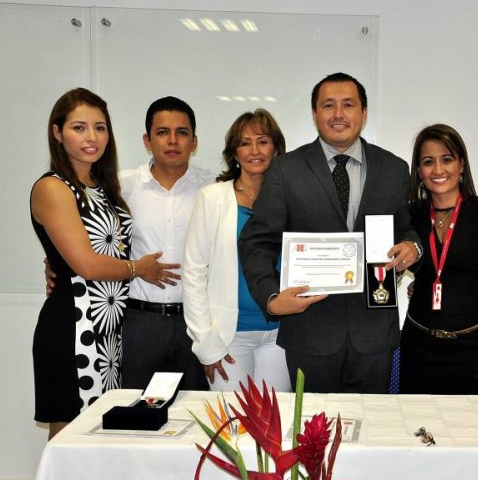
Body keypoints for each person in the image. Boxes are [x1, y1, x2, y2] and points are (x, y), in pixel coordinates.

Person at [239, 72, 421, 393]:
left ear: (363, 114)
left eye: (348, 105)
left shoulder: (393, 169)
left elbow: (408, 227)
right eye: (328, 106)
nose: (338, 114)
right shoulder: (286, 169)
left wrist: (412, 247)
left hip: (373, 332)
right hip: (309, 329)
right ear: (314, 114)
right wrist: (271, 298)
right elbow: (257, 241)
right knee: (311, 434)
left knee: (369, 432)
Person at [31, 88, 170, 439]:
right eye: (79, 127)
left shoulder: (103, 186)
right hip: (73, 328)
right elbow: (88, 265)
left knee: (101, 434)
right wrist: (140, 269)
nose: (92, 137)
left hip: (107, 328)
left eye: (100, 127)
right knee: (69, 436)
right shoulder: (53, 187)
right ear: (57, 132)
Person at [183, 110, 291, 392]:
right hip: (228, 336)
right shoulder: (212, 198)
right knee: (230, 429)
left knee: (275, 427)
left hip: (279, 333)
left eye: (263, 141)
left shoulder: (292, 199)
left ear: (276, 148)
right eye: (245, 143)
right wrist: (206, 344)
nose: (254, 150)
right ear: (233, 152)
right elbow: (193, 273)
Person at [399, 124, 478, 395]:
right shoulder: (409, 215)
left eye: (447, 159)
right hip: (418, 347)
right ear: (419, 171)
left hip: (473, 349)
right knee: (416, 432)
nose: (438, 170)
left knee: (473, 436)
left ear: (461, 165)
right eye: (428, 162)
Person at [118, 97, 214, 391]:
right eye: (162, 132)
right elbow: (94, 240)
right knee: (135, 418)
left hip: (196, 323)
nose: (173, 141)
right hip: (139, 323)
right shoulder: (121, 186)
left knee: (197, 420)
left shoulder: (215, 188)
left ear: (194, 141)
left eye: (182, 133)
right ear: (147, 140)